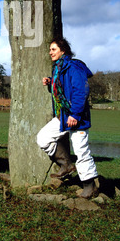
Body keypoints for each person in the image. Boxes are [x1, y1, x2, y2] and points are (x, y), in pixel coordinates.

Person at [37, 37, 98, 199]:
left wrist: (75, 114)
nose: (50, 52)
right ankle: (66, 164)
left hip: (76, 117)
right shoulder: (58, 68)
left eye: (53, 49)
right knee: (43, 138)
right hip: (63, 115)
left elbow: (81, 91)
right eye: (50, 49)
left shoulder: (73, 67)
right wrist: (51, 83)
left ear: (63, 51)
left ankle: (89, 187)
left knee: (81, 151)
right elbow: (63, 91)